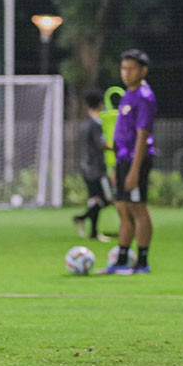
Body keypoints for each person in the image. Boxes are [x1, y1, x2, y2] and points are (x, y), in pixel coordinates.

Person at [98, 49, 156, 275]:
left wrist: (134, 170)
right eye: (124, 68)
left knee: (138, 208)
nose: (126, 73)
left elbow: (142, 135)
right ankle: (121, 260)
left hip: (136, 161)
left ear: (143, 71)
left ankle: (142, 262)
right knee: (123, 209)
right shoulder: (128, 95)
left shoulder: (144, 96)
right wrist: (117, 167)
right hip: (123, 161)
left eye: (131, 69)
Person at [72, 90, 112, 243]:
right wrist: (117, 147)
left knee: (95, 200)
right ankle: (81, 218)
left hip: (86, 166)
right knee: (107, 199)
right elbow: (101, 144)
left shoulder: (84, 124)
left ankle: (94, 233)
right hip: (96, 168)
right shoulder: (96, 124)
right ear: (101, 104)